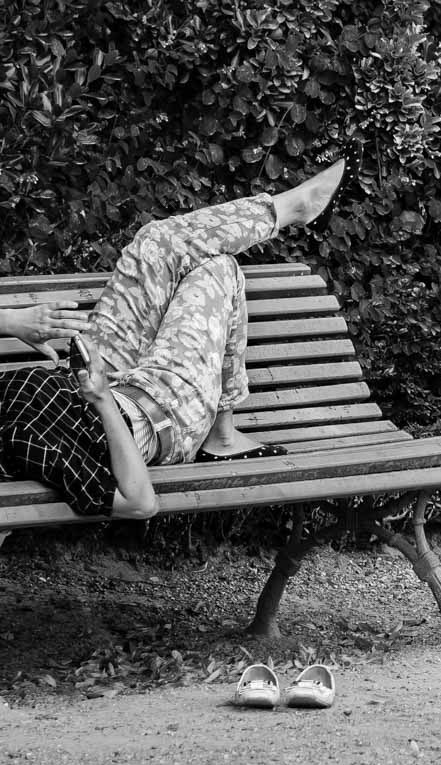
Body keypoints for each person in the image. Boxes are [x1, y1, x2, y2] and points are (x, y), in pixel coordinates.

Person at [0, 162, 345, 519]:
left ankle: (288, 208)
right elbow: (139, 503)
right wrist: (102, 399)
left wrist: (11, 321)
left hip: (98, 371)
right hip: (154, 409)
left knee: (154, 242)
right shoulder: (25, 442)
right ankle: (221, 436)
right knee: (217, 269)